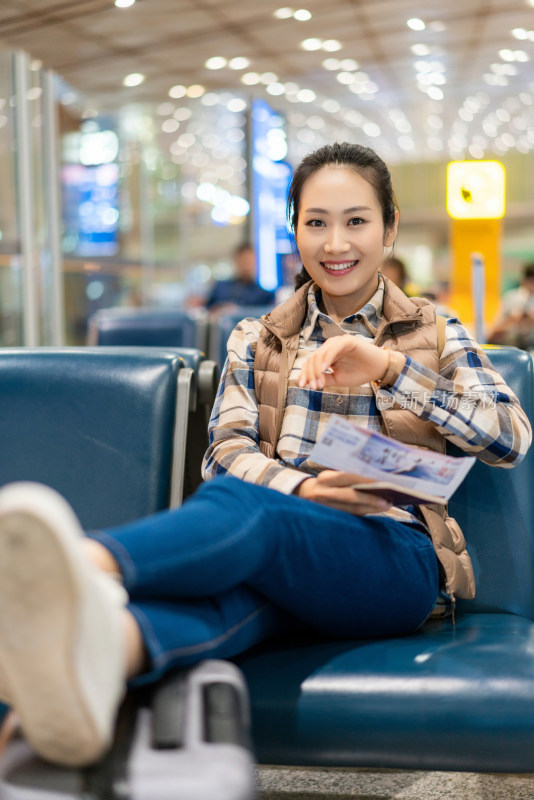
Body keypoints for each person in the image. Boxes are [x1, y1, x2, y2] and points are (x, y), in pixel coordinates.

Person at [0, 142, 530, 769]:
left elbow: (508, 435)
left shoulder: (437, 332)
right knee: (236, 591)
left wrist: (391, 369)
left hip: (394, 557)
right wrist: (303, 491)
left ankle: (81, 564)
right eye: (316, 222)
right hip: (285, 547)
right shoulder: (258, 337)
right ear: (295, 229)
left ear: (388, 228)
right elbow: (225, 451)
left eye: (356, 221)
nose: (336, 242)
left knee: (245, 507)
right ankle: (87, 672)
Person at [205, 242, 275, 311]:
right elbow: (208, 310)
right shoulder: (221, 288)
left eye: (249, 261)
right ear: (236, 261)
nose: (246, 265)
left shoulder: (263, 295)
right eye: (243, 260)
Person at [487, 262, 534, 349]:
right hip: (510, 346)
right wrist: (511, 320)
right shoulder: (513, 298)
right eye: (531, 282)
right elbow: (492, 332)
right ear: (524, 281)